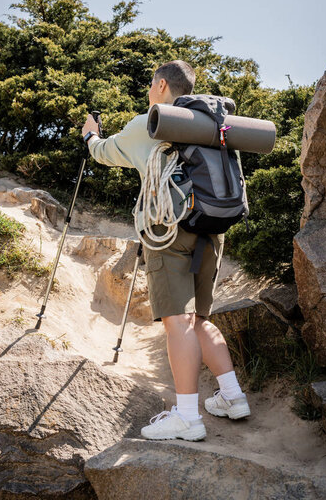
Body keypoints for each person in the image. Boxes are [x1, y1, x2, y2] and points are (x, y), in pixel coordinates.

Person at [82, 60, 250, 441]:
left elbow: (105, 153)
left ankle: (187, 418)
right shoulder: (214, 124)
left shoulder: (150, 122)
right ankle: (233, 397)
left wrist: (90, 136)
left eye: (149, 84)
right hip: (211, 226)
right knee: (201, 319)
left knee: (178, 321)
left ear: (161, 85)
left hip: (168, 228)